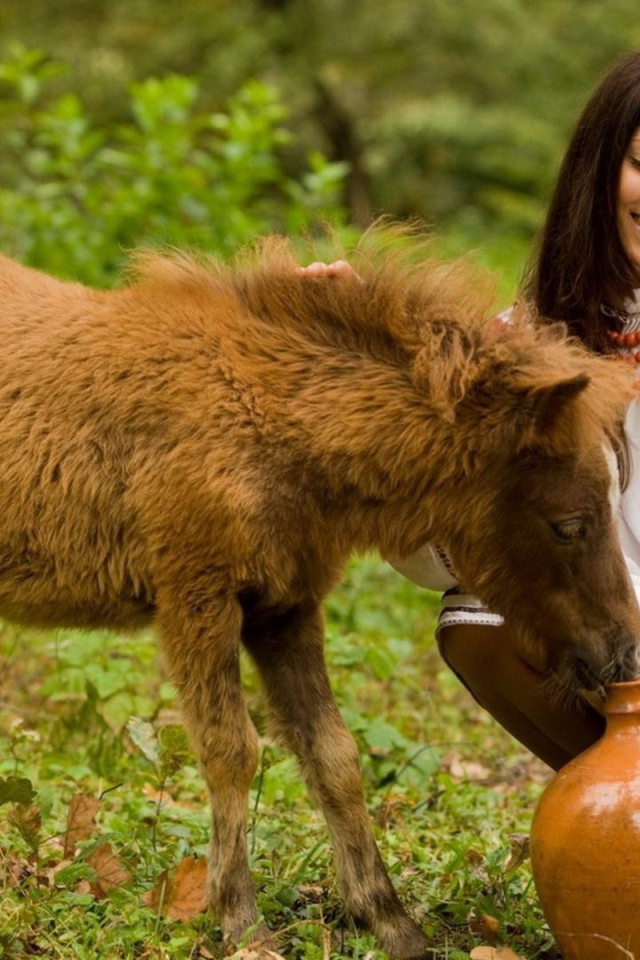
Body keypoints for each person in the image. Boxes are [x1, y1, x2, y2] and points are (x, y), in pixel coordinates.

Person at [303, 50, 640, 770]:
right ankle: (620, 813)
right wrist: (385, 378)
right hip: (624, 650)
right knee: (483, 621)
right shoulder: (528, 347)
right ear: (599, 171)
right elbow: (444, 544)